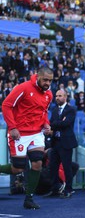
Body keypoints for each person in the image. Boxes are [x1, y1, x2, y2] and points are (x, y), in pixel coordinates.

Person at [0, 67, 53, 209]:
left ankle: (29, 199)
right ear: (38, 77)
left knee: (37, 163)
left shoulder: (49, 94)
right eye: (45, 80)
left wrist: (46, 124)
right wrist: (12, 127)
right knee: (18, 168)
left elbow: (44, 112)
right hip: (20, 132)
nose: (48, 83)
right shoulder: (23, 88)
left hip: (36, 133)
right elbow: (6, 105)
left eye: (50, 80)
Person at [45, 89, 78, 198]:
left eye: (60, 96)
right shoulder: (54, 110)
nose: (57, 97)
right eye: (56, 96)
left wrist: (56, 124)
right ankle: (55, 189)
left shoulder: (71, 109)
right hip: (55, 142)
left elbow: (66, 124)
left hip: (66, 142)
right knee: (52, 167)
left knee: (67, 166)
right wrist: (59, 123)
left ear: (65, 97)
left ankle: (68, 189)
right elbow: (52, 123)